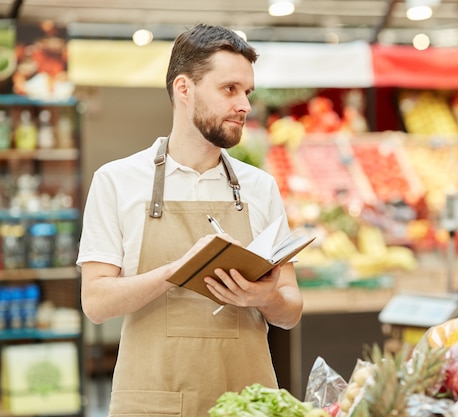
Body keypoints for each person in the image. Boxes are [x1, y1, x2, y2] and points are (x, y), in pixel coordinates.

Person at [77, 24, 304, 416]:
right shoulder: (116, 181)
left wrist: (267, 297)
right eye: (229, 89)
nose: (245, 105)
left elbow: (292, 308)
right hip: (153, 401)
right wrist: (179, 270)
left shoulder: (260, 187)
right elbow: (95, 302)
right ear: (184, 89)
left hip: (247, 402)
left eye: (247, 92)